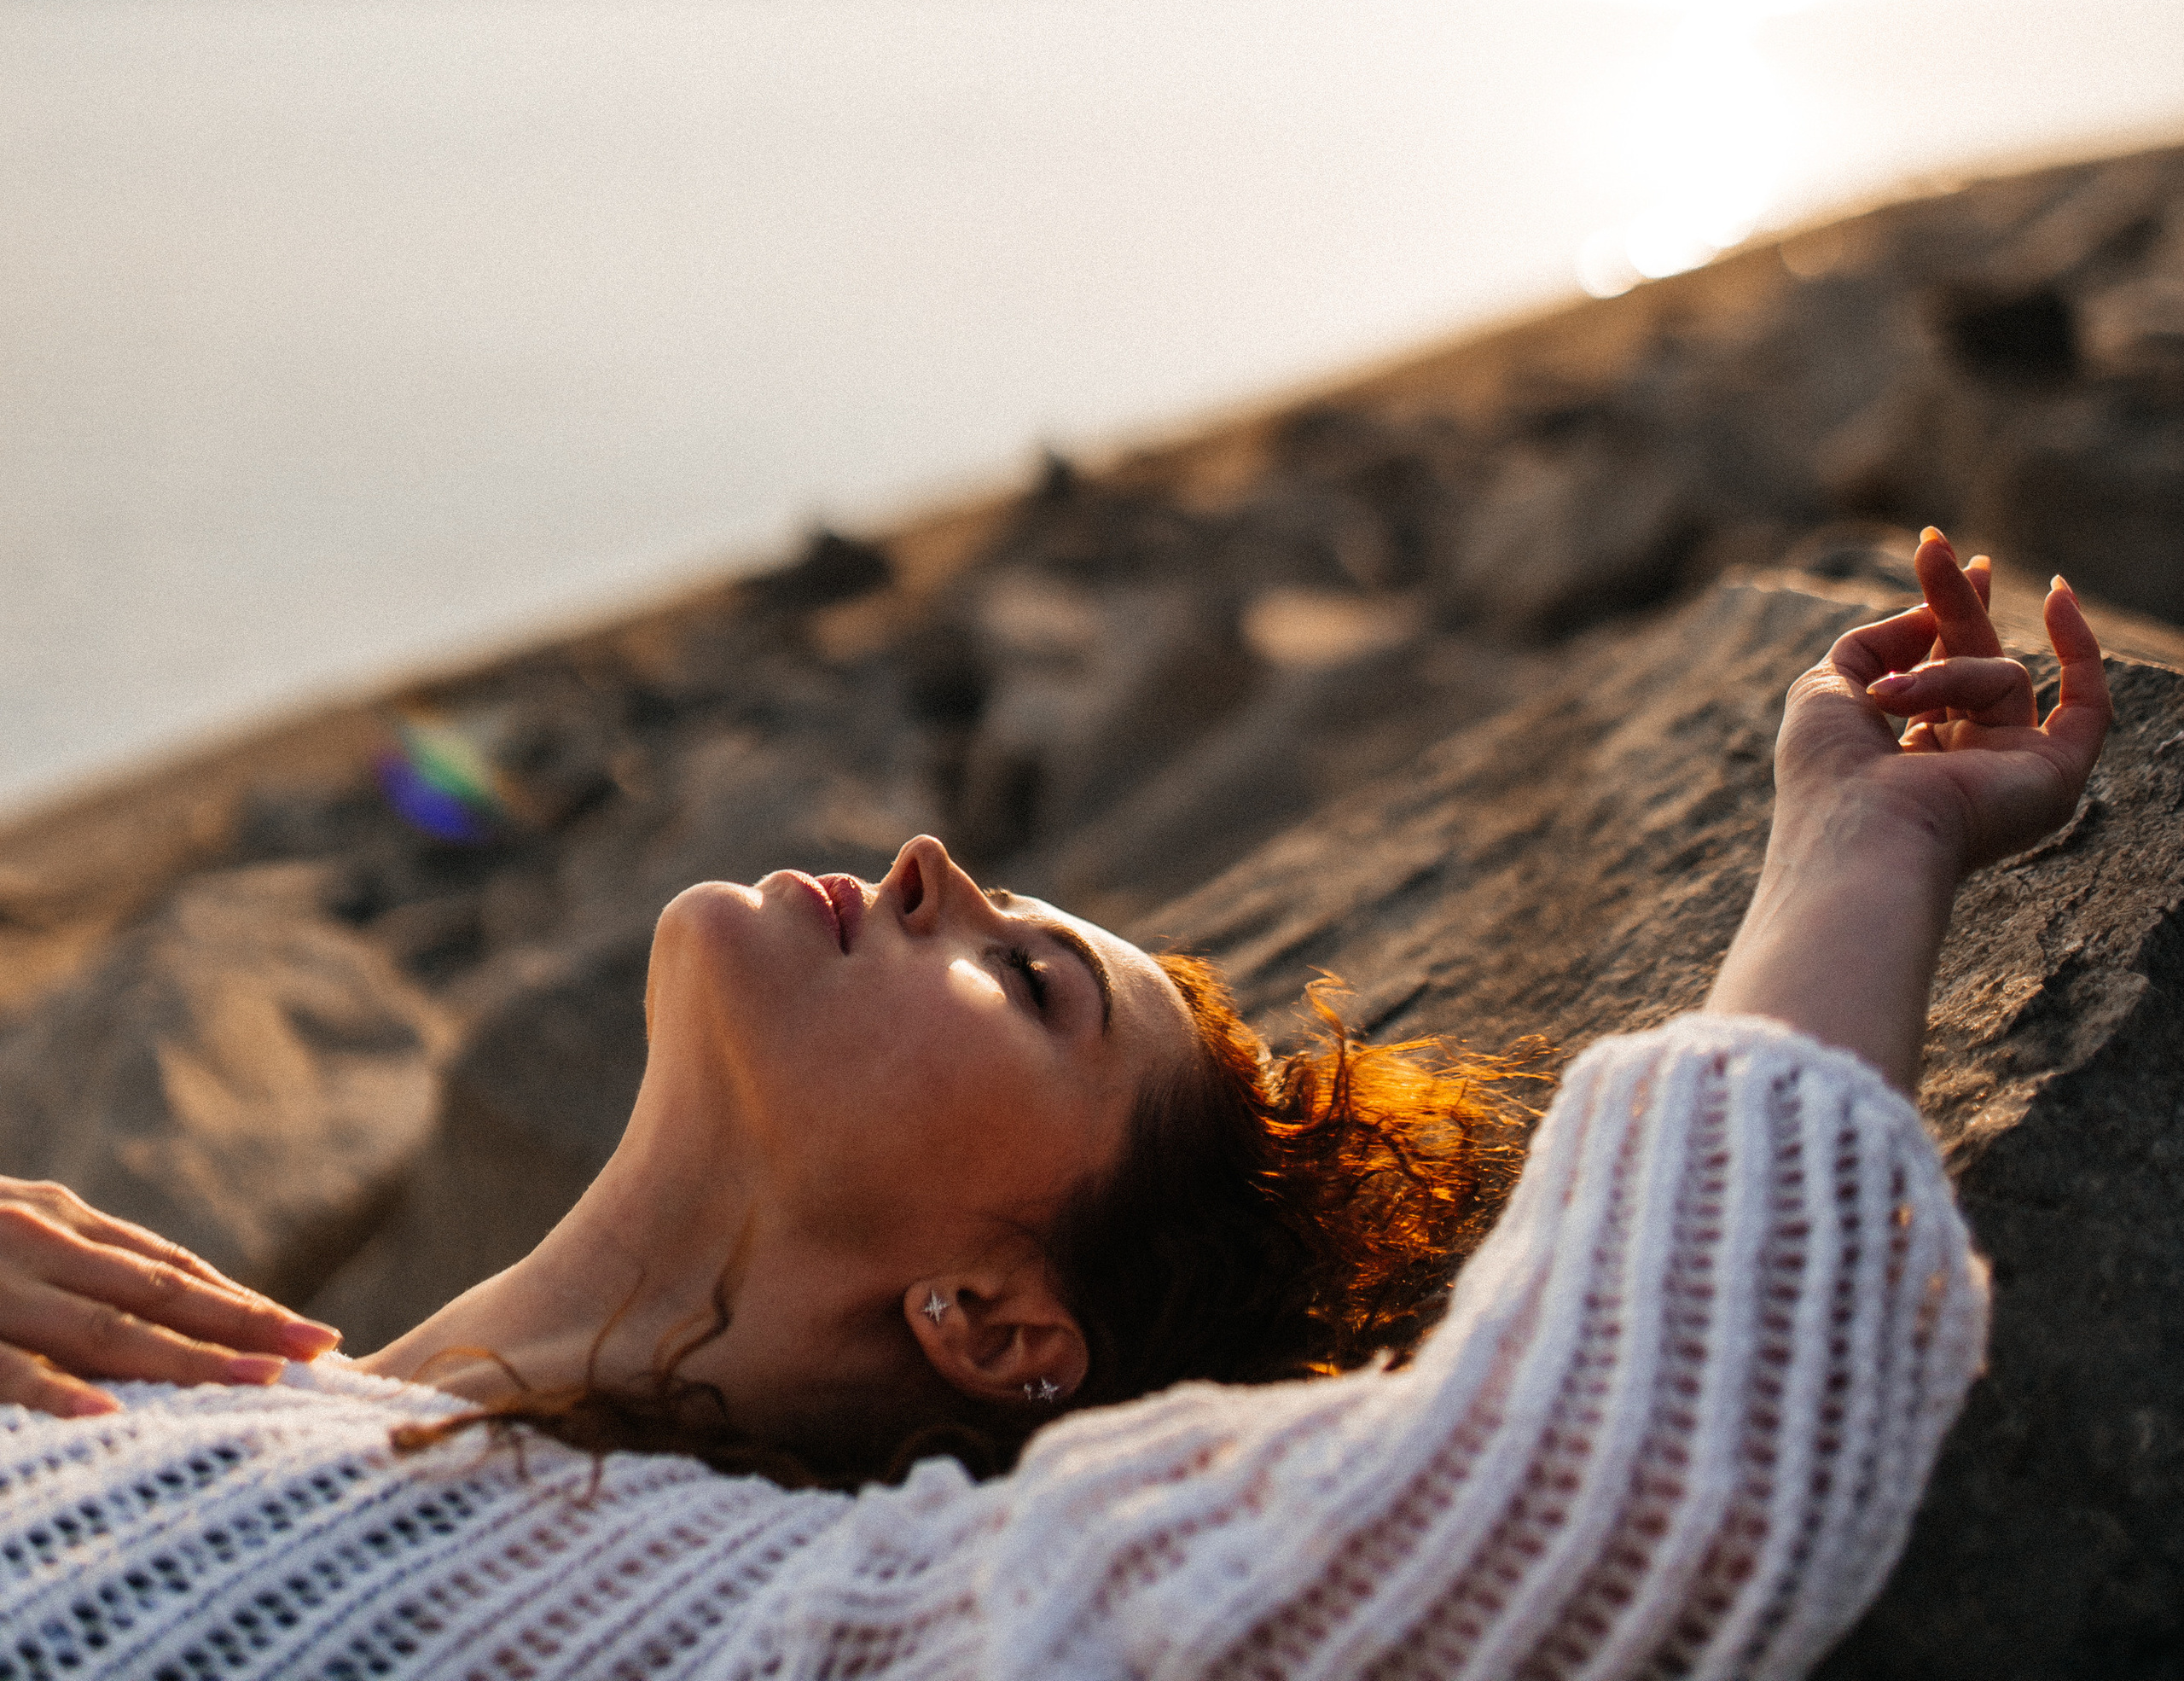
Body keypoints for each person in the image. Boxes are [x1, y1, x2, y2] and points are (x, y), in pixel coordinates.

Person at [0, 530, 2111, 1681]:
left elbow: (1650, 1470)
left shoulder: (791, 1626)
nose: (924, 864)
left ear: (996, 1329)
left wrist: (1855, 845)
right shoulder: (197, 1365)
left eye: (1018, 977)